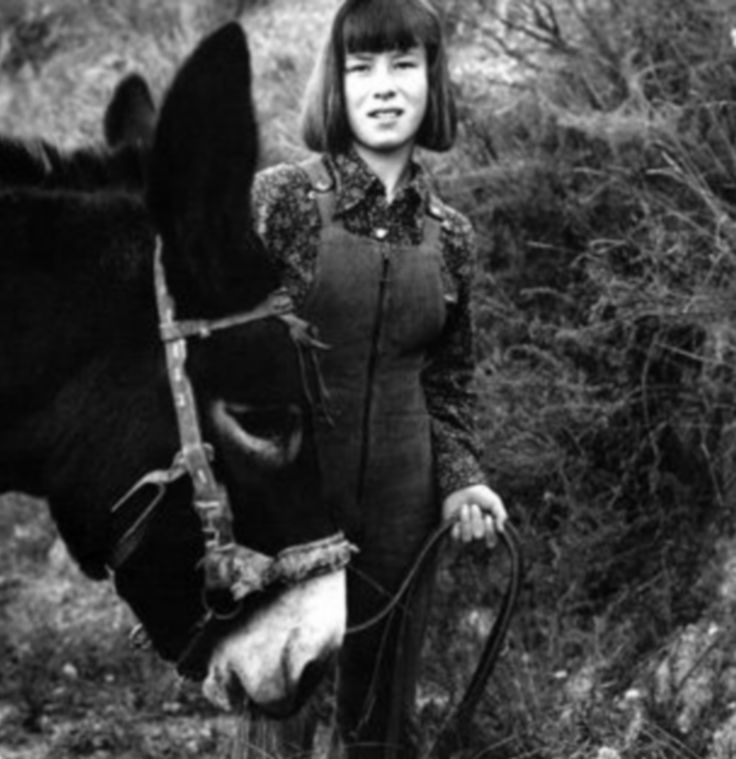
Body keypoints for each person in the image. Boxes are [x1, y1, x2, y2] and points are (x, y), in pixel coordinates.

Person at [251, 0, 508, 756]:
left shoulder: (452, 235)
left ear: (433, 80)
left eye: (404, 64)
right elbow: (222, 355)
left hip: (404, 512)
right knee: (278, 717)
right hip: (291, 507)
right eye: (361, 67)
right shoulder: (282, 200)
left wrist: (462, 481)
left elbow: (448, 384)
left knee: (379, 725)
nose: (384, 86)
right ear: (336, 85)